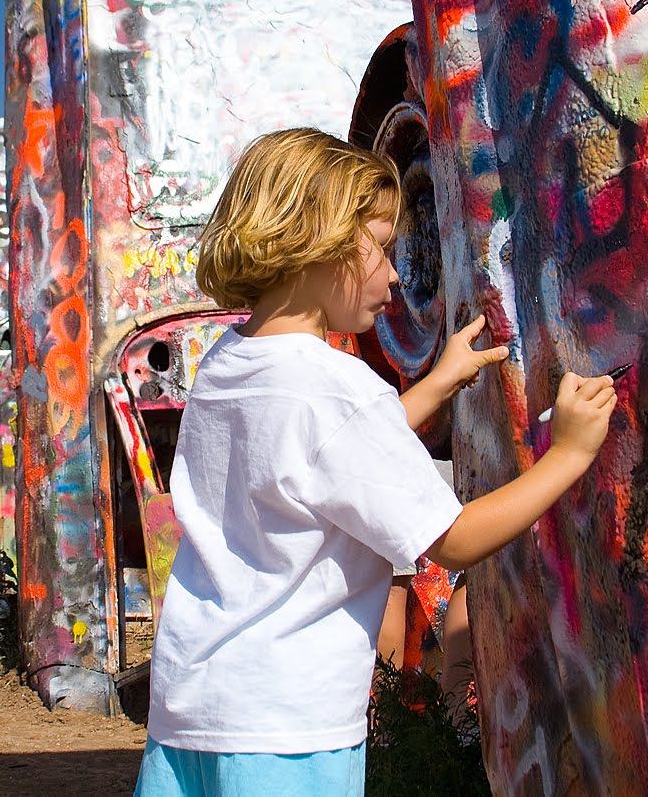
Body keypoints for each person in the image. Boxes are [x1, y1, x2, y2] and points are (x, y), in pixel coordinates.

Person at [135, 128, 617, 796]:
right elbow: (453, 540)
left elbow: (320, 456)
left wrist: (439, 381)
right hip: (289, 730)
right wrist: (568, 454)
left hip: (192, 704)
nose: (395, 275)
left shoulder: (227, 361)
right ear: (320, 240)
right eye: (382, 248)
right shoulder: (340, 387)